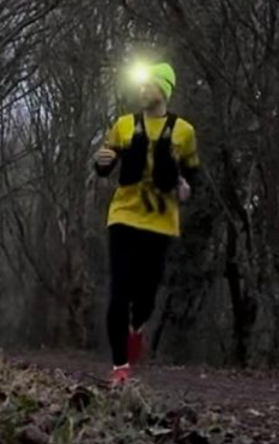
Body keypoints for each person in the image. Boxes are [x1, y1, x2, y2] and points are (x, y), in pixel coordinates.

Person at [93, 61, 199, 385]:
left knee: (146, 295)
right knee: (119, 290)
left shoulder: (184, 131)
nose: (141, 90)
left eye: (148, 84)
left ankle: (137, 327)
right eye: (139, 85)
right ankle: (119, 366)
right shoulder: (124, 125)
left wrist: (185, 186)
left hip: (161, 222)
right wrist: (100, 161)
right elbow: (104, 165)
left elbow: (192, 172)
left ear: (163, 88)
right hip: (123, 216)